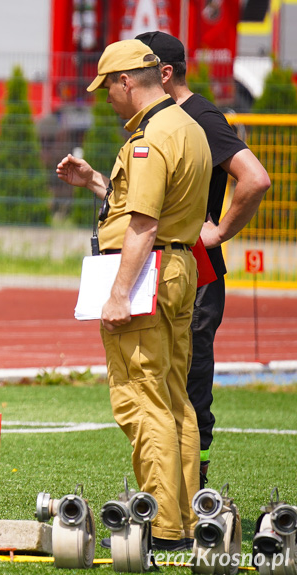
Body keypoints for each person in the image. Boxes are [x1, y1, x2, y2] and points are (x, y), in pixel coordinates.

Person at [56, 39, 211, 551]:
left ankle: (162, 525)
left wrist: (119, 294)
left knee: (141, 400)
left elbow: (143, 223)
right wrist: (99, 182)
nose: (106, 98)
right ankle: (187, 519)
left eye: (108, 87)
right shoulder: (187, 127)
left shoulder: (148, 139)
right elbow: (151, 207)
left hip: (149, 270)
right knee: (173, 399)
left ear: (127, 81)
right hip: (179, 266)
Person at [136, 31, 271, 487]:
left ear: (164, 72)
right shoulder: (163, 119)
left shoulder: (199, 116)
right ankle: (170, 493)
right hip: (169, 268)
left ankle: (195, 497)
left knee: (190, 386)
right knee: (162, 381)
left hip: (198, 271)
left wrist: (219, 232)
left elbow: (254, 179)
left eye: (136, 68)